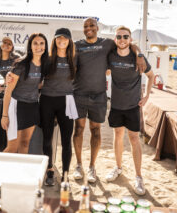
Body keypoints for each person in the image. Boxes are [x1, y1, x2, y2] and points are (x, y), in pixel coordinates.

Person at [73, 18, 146, 183]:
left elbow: (127, 43)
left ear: (97, 28)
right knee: (78, 129)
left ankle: (92, 167)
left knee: (96, 131)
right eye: (86, 26)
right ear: (83, 29)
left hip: (99, 95)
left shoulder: (107, 43)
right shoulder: (77, 45)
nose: (89, 28)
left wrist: (139, 53)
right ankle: (79, 165)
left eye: (92, 25)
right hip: (79, 94)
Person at [105, 26, 154, 195]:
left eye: (126, 36)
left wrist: (147, 95)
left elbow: (151, 76)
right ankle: (118, 167)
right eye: (119, 36)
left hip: (133, 106)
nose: (122, 39)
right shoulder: (110, 56)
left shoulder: (138, 57)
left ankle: (139, 177)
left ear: (130, 39)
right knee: (117, 135)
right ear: (115, 39)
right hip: (116, 105)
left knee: (134, 139)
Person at [39, 28, 77, 186]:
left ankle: (66, 174)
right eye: (59, 38)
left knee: (66, 140)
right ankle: (49, 171)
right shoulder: (47, 58)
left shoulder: (75, 58)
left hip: (67, 101)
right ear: (54, 40)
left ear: (69, 41)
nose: (62, 41)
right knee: (47, 138)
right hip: (47, 100)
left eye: (65, 38)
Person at [1, 33, 48, 153]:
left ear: (45, 46)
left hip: (32, 106)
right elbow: (8, 91)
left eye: (42, 43)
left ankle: (20, 171)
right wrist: (5, 115)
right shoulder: (21, 64)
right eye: (35, 43)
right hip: (17, 106)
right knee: (12, 148)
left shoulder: (45, 64)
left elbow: (37, 84)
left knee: (25, 144)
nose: (39, 46)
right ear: (30, 46)